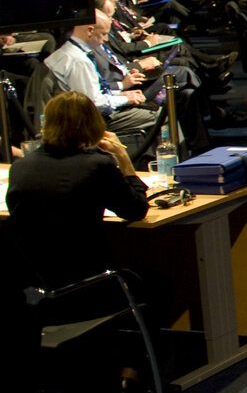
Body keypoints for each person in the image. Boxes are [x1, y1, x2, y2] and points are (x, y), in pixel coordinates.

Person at [4, 91, 149, 287]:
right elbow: (136, 210)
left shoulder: (20, 167)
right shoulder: (97, 165)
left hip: (40, 291)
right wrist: (123, 158)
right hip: (92, 284)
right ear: (93, 123)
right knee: (159, 284)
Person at [43, 10, 158, 153]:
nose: (105, 39)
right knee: (161, 117)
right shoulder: (79, 61)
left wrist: (122, 95)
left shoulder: (66, 52)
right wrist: (124, 99)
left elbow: (90, 92)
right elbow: (93, 104)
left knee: (150, 106)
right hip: (92, 122)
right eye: (103, 34)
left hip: (82, 115)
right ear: (90, 30)